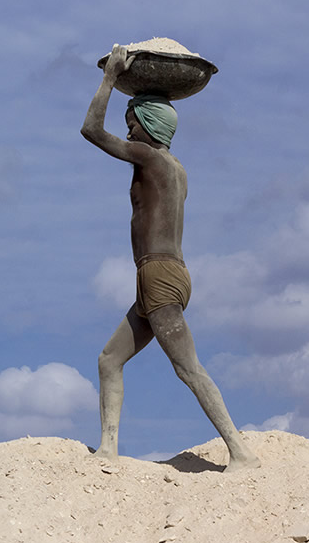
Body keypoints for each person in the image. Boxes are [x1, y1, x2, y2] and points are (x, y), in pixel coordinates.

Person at [80, 44, 261, 472]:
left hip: (159, 273)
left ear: (148, 126)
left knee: (187, 367)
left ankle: (241, 452)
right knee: (110, 360)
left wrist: (109, 79)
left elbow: (91, 130)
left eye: (131, 125)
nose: (127, 134)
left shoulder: (148, 157)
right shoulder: (177, 168)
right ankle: (107, 450)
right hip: (164, 275)